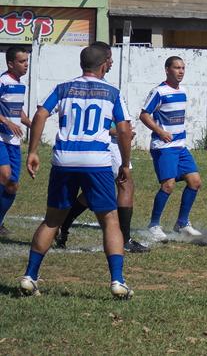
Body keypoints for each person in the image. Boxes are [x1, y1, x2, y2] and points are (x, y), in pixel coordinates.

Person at [19, 45, 133, 299]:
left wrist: (33, 151)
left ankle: (29, 276)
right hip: (96, 161)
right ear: (103, 65)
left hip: (64, 160)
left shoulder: (63, 88)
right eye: (109, 62)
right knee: (110, 221)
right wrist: (125, 163)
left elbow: (40, 114)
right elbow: (124, 130)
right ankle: (118, 281)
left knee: (52, 220)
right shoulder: (112, 93)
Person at [55, 41, 149, 253]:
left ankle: (64, 222)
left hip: (105, 145)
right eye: (110, 58)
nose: (112, 61)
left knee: (93, 191)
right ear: (103, 61)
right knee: (125, 184)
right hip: (105, 146)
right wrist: (118, 131)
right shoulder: (102, 88)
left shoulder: (98, 85)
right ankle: (124, 239)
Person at [140, 56, 202, 241]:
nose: (181, 71)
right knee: (168, 185)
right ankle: (153, 225)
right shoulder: (159, 92)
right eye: (177, 68)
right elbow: (144, 115)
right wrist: (160, 131)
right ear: (167, 69)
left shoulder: (183, 91)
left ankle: (182, 223)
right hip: (163, 147)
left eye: (183, 68)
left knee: (195, 182)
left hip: (180, 146)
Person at [0, 46, 32, 236]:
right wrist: (6, 122)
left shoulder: (20, 84)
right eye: (22, 61)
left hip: (13, 141)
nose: (26, 64)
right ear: (11, 64)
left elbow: (16, 109)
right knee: (5, 175)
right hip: (0, 137)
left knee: (12, 185)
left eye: (27, 61)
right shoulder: (2, 81)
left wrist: (32, 123)